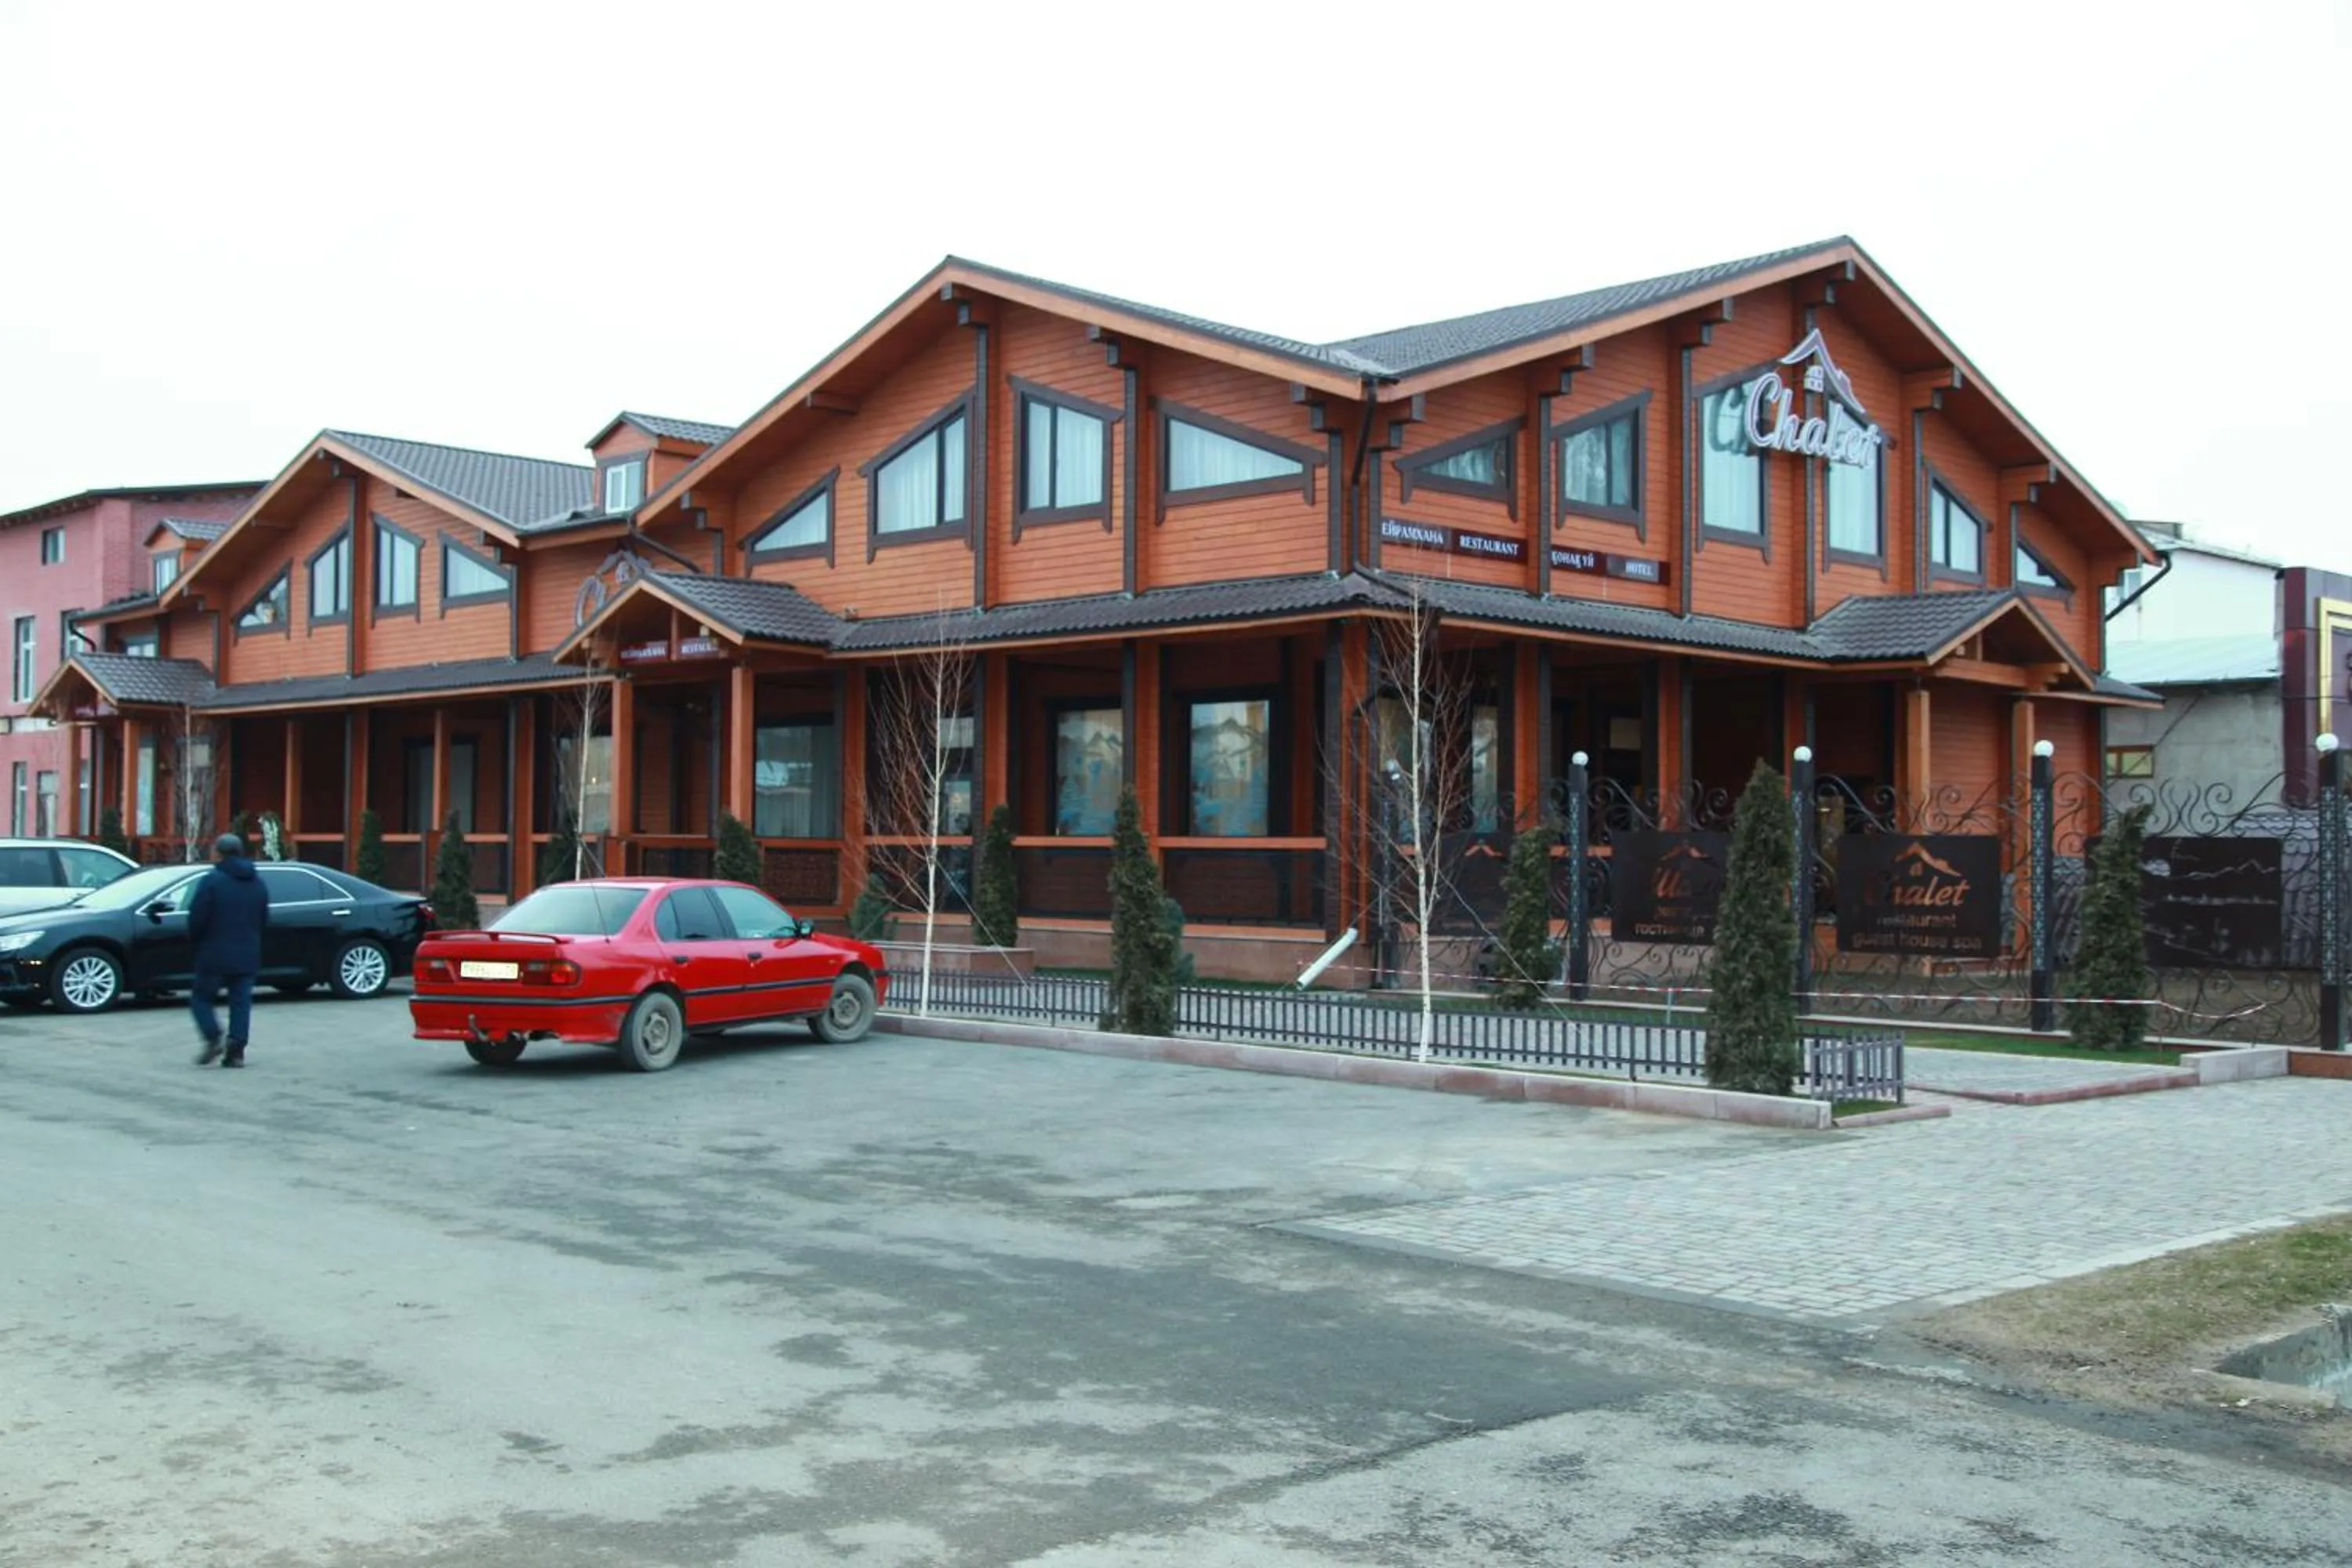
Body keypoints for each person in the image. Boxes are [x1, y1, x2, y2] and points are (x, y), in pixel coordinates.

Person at [190, 833, 270, 1068]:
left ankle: (212, 1036)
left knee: (201, 998)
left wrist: (196, 943)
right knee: (240, 1002)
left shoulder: (212, 881)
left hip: (214, 952)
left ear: (219, 853)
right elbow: (263, 918)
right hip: (247, 951)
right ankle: (236, 1050)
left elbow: (197, 918)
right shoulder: (257, 883)